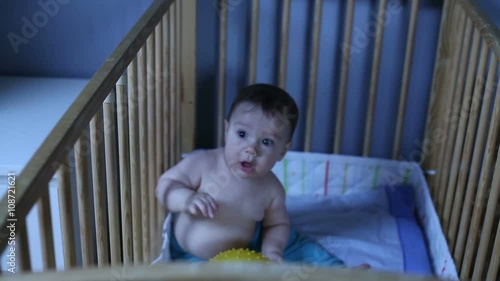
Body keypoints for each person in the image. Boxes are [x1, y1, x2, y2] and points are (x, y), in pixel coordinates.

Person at [155, 83, 359, 268]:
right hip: (193, 253)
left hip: (249, 249)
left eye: (266, 142)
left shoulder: (272, 189)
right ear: (227, 130)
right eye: (242, 134)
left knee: (305, 249)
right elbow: (165, 184)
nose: (251, 149)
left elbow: (277, 224)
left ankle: (341, 273)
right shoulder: (203, 163)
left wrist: (271, 251)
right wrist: (185, 198)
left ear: (282, 151)